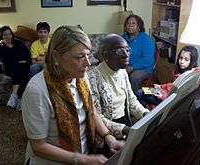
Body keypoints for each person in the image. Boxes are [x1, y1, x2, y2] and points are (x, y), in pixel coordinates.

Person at [21, 26, 124, 165]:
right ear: (56, 56)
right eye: (80, 56)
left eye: (88, 55)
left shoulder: (81, 77)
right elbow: (38, 146)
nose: (87, 63)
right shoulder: (37, 90)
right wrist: (82, 159)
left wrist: (108, 137)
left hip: (83, 156)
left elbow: (92, 111)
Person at [87, 34, 149, 139]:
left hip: (125, 122)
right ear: (106, 55)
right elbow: (96, 116)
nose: (126, 55)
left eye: (127, 50)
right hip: (106, 132)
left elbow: (132, 101)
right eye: (120, 51)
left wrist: (145, 114)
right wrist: (124, 129)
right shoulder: (92, 78)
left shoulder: (122, 72)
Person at [0, 26, 31, 109]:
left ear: (12, 35)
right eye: (5, 35)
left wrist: (24, 61)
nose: (8, 36)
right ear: (1, 36)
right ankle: (20, 99)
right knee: (20, 71)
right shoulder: (1, 47)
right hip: (10, 68)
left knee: (21, 68)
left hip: (24, 65)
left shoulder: (18, 43)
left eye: (9, 34)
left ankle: (14, 96)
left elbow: (27, 55)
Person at [122, 14, 155, 94]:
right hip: (127, 65)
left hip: (144, 68)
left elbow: (148, 60)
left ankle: (135, 99)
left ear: (139, 27)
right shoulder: (123, 37)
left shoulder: (146, 40)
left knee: (134, 77)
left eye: (133, 23)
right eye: (128, 23)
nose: (130, 25)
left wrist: (132, 67)